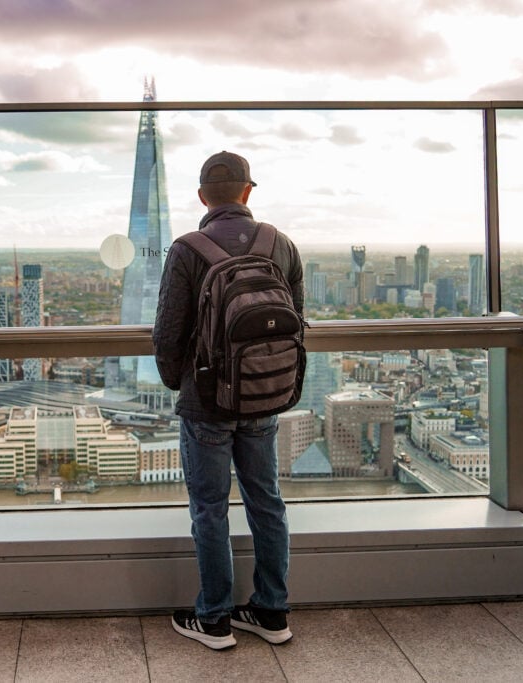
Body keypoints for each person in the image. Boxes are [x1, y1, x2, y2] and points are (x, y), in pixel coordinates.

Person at [153, 150, 304, 650]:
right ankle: (271, 611)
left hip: (206, 404)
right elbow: (296, 323)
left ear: (202, 197)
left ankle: (214, 618)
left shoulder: (187, 249)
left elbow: (169, 331)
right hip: (264, 399)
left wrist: (181, 384)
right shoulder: (279, 244)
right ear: (247, 192)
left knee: (210, 510)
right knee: (268, 504)